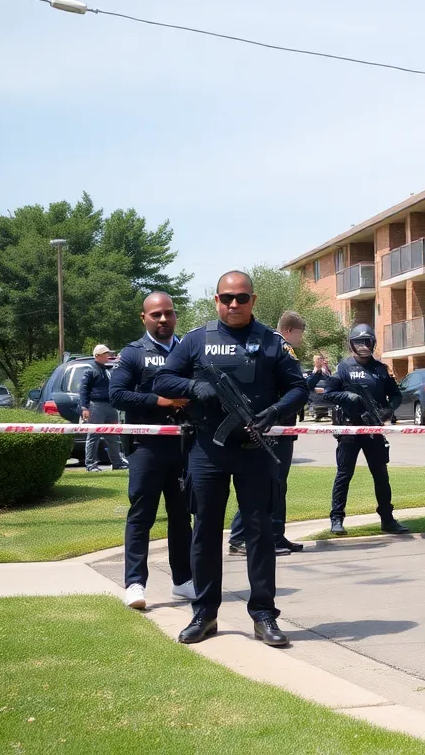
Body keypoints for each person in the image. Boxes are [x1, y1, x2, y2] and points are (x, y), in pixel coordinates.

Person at [154, 271, 307, 647]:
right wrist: (194, 387)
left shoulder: (271, 342)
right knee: (205, 532)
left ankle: (264, 614)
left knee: (260, 532)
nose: (233, 304)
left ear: (253, 300)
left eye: (241, 298)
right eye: (226, 298)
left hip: (255, 450)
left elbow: (298, 388)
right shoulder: (196, 340)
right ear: (216, 300)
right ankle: (204, 613)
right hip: (208, 449)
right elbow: (163, 381)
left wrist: (275, 411)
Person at [109, 292, 195, 609]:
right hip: (146, 447)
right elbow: (117, 395)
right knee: (141, 515)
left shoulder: (188, 351)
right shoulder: (133, 353)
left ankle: (183, 581)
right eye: (156, 314)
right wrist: (160, 401)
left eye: (168, 313)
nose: (163, 319)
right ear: (143, 317)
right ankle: (135, 584)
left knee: (181, 516)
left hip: (183, 445)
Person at [229, 311, 308, 557]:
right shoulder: (278, 346)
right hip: (272, 427)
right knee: (265, 486)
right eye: (300, 334)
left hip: (281, 426)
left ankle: (275, 534)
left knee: (278, 486)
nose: (301, 339)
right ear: (289, 330)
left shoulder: (274, 346)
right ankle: (238, 537)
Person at [320, 324, 408, 536]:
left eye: (367, 342)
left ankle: (387, 519)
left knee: (381, 475)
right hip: (350, 430)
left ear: (373, 343)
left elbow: (396, 395)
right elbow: (328, 393)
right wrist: (347, 396)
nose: (363, 347)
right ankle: (336, 519)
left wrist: (388, 410)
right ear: (352, 344)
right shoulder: (343, 368)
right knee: (344, 474)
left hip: (373, 430)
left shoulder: (380, 369)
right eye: (359, 343)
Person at [80, 344, 128, 472]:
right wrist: (85, 407)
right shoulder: (90, 370)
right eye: (106, 354)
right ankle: (91, 465)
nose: (108, 356)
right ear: (98, 356)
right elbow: (84, 390)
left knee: (113, 436)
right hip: (96, 406)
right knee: (93, 436)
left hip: (110, 406)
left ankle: (117, 462)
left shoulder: (107, 370)